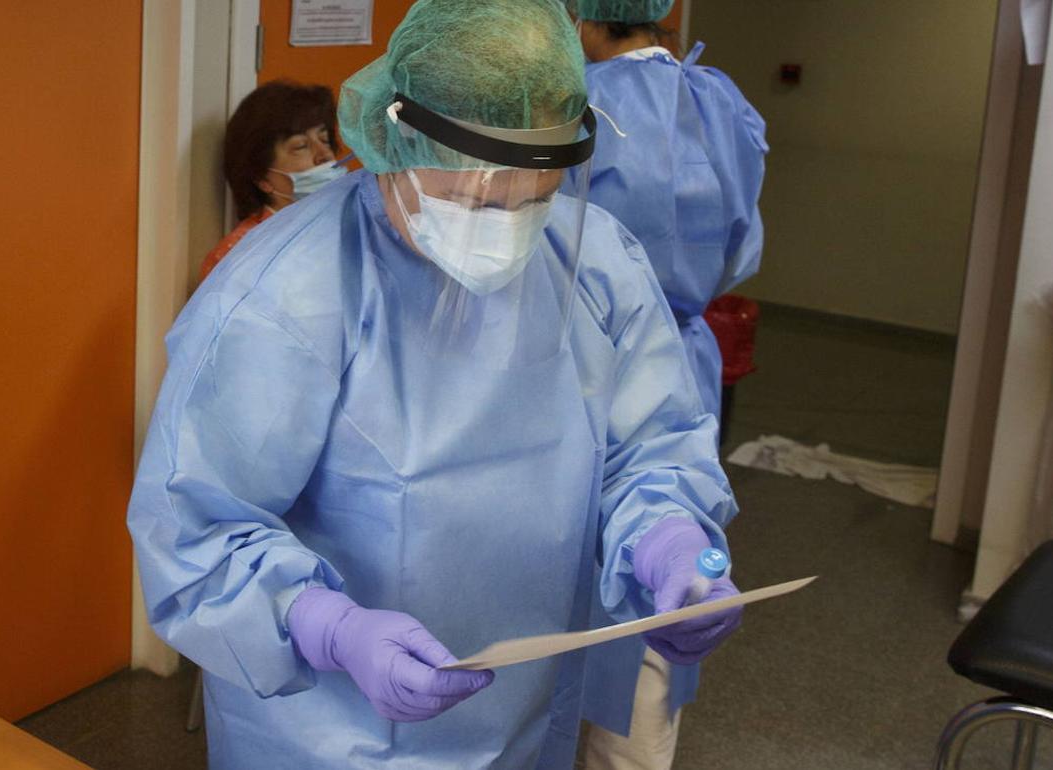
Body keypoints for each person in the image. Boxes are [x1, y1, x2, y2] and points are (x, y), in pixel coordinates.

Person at [126, 1, 743, 768]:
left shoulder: (596, 261)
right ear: (394, 143)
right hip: (325, 730)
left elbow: (651, 447)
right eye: (472, 202)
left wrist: (670, 542)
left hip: (520, 714)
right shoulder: (284, 298)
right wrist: (325, 625)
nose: (505, 231)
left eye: (534, 199)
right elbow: (196, 529)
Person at [565, 1, 769, 768]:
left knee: (561, 571)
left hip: (572, 360)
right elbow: (740, 245)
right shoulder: (718, 102)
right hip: (680, 362)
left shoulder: (571, 105)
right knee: (661, 586)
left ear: (581, 16)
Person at [198, 80, 346, 282]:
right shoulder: (237, 256)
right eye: (301, 146)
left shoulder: (352, 230)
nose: (325, 155)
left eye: (325, 139)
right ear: (261, 178)